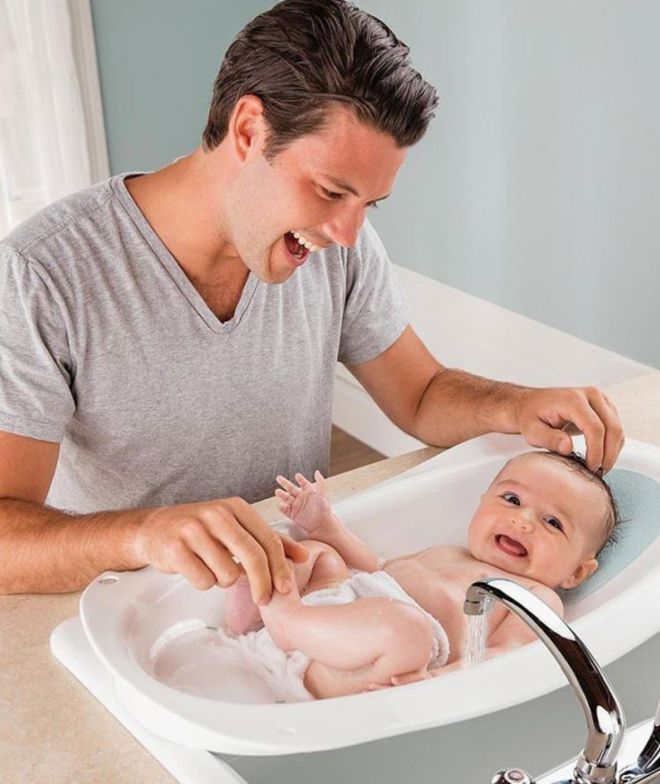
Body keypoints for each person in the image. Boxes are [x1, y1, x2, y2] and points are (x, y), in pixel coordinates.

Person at [0, 0, 623, 602]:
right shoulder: (43, 274)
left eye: (368, 205)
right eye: (330, 190)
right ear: (248, 130)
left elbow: (420, 394)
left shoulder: (335, 242)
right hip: (136, 606)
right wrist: (145, 533)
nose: (348, 234)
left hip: (299, 586)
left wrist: (517, 406)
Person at [222, 451, 618, 699]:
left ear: (577, 572)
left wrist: (437, 681)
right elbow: (375, 569)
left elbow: (503, 655)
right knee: (319, 557)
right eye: (512, 500)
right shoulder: (451, 552)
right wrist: (325, 525)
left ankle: (285, 620)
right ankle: (253, 603)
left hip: (353, 666)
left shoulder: (534, 595)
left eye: (552, 522)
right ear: (482, 502)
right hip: (334, 621)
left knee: (409, 630)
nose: (522, 521)